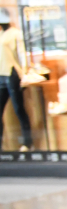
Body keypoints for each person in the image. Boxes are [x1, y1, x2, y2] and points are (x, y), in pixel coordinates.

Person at [0, 9, 32, 151]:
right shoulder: (1, 34)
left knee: (18, 108)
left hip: (13, 73)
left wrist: (24, 74)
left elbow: (21, 53)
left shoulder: (15, 33)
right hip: (1, 74)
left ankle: (27, 142)